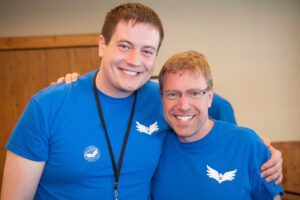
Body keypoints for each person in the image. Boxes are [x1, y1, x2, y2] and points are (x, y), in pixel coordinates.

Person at [1, 3, 282, 200]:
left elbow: (211, 111)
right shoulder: (48, 106)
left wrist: (265, 153)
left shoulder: (163, 98)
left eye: (147, 50)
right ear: (102, 44)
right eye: (124, 46)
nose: (135, 61)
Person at [151, 50, 283, 199]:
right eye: (172, 94)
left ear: (209, 97)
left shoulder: (247, 144)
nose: (183, 105)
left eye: (194, 93)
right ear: (162, 98)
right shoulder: (153, 148)